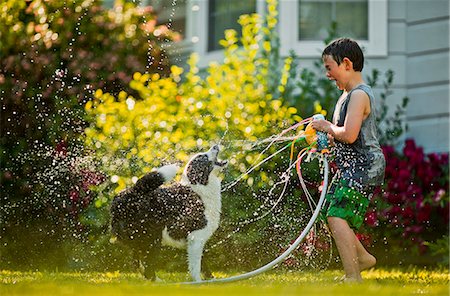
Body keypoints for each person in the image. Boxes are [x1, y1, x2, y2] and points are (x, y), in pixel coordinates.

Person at [311, 38, 386, 282]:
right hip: (353, 166)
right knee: (329, 213)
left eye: (329, 67)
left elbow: (350, 134)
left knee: (336, 215)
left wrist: (327, 127)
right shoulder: (346, 96)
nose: (327, 74)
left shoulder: (359, 95)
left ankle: (353, 276)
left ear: (346, 64)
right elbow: (345, 134)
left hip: (364, 166)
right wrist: (329, 138)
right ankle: (362, 258)